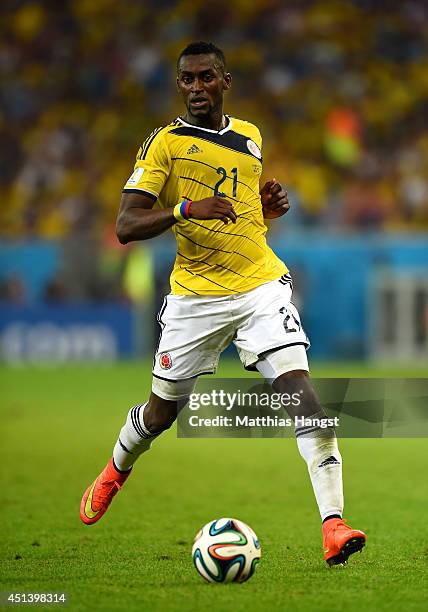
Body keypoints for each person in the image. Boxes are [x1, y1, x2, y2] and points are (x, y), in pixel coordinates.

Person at [80, 41, 366, 566]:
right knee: (163, 411)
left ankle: (333, 525)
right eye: (186, 79)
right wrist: (186, 207)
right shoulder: (163, 144)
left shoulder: (249, 138)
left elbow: (241, 213)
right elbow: (125, 225)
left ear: (225, 81)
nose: (194, 88)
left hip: (259, 285)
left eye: (205, 78)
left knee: (305, 401)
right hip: (196, 297)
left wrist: (267, 207)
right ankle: (116, 469)